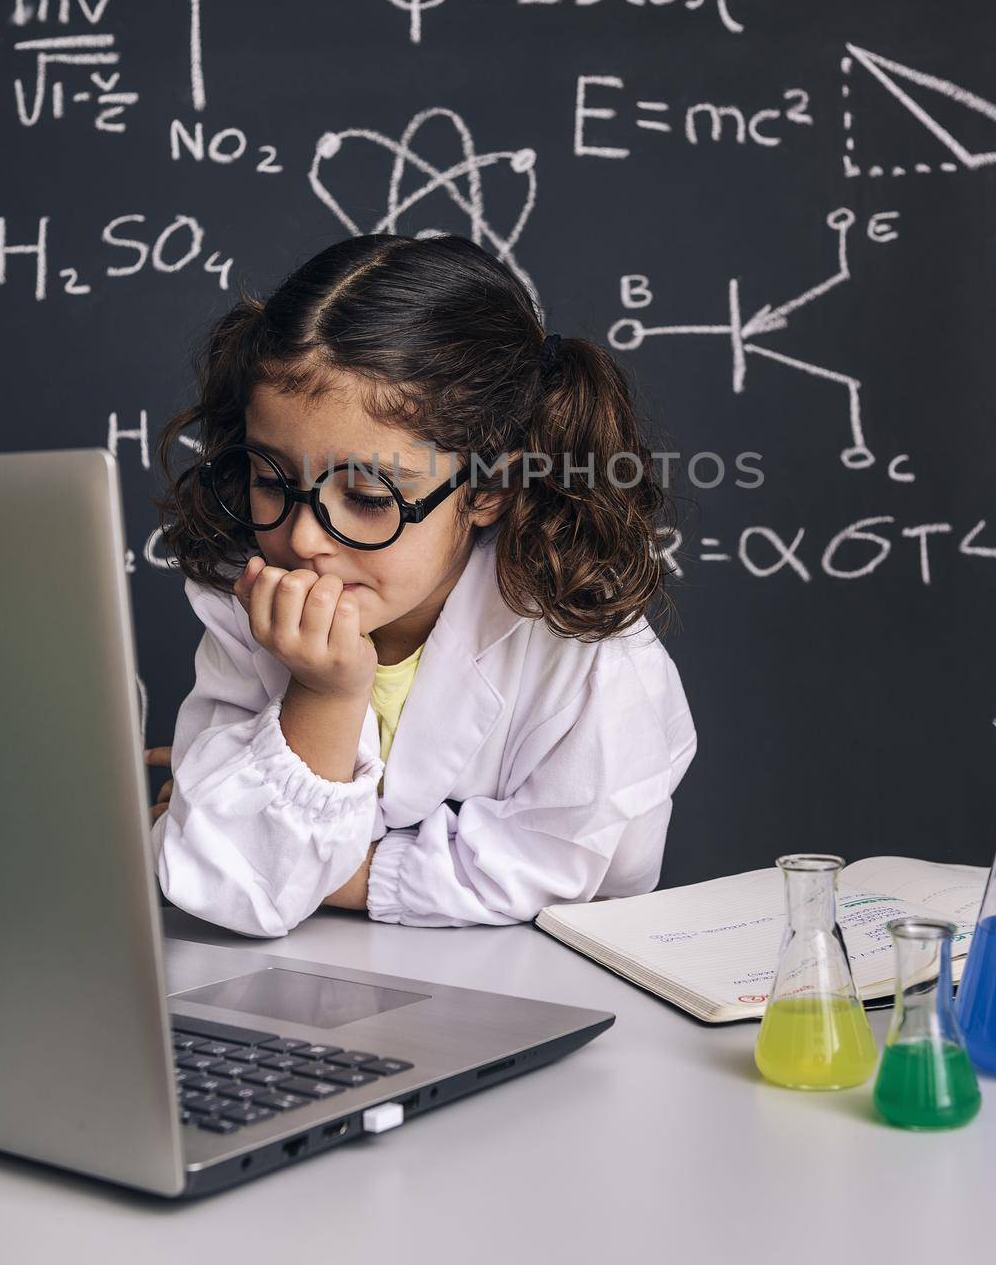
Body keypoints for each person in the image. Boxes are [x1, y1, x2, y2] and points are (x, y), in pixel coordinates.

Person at [146, 233, 698, 937]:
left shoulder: (592, 658)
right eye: (272, 479)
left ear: (490, 486)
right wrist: (324, 695)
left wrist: (324, 867)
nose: (306, 539)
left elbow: (550, 873)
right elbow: (224, 887)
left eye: (370, 497)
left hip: (534, 983)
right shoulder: (249, 600)